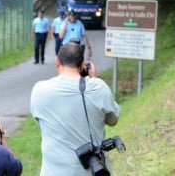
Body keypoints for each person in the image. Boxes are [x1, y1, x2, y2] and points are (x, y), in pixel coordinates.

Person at [30, 43, 120, 175]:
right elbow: (113, 121)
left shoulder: (39, 90)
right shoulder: (99, 87)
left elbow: (41, 123)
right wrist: (94, 79)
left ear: (57, 62)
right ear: (83, 64)